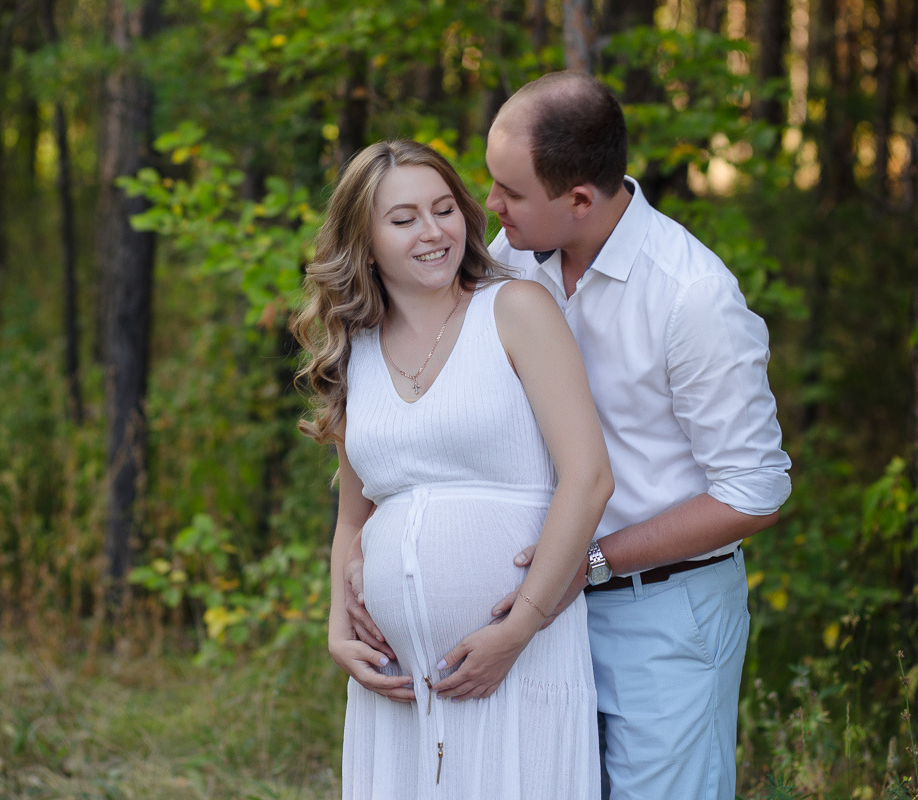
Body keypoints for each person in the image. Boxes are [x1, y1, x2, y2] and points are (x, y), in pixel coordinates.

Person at [348, 73, 792, 799]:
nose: (488, 207)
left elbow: (757, 493)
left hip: (661, 613)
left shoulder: (691, 296)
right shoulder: (511, 260)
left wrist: (587, 564)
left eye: (509, 192)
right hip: (550, 620)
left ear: (579, 200)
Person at [293, 139, 613, 799]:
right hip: (397, 683)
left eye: (444, 209)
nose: (433, 231)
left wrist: (518, 627)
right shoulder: (357, 353)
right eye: (404, 218)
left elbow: (588, 479)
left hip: (522, 657)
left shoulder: (516, 310)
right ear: (366, 239)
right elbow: (355, 517)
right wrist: (337, 630)